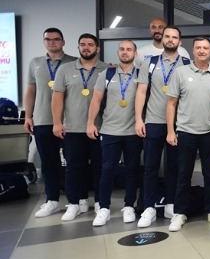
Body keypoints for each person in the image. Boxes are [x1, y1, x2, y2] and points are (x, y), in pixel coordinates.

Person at [165, 37, 210, 232]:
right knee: (183, 174)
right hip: (185, 131)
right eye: (198, 47)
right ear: (193, 50)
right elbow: (171, 103)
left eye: (205, 48)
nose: (202, 51)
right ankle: (179, 213)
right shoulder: (180, 72)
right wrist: (170, 131)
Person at [134, 25, 191, 227]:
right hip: (153, 121)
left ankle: (171, 204)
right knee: (150, 167)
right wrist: (138, 119)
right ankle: (148, 207)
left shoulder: (186, 64)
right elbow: (141, 91)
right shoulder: (150, 63)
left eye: (174, 37)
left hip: (178, 124)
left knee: (175, 167)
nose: (170, 40)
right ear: (162, 39)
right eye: (167, 36)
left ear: (179, 42)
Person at [51, 33, 108, 221]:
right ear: (78, 47)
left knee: (100, 167)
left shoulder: (107, 69)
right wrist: (57, 122)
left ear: (97, 48)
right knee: (74, 167)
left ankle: (100, 202)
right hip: (73, 128)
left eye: (90, 44)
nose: (86, 47)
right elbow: (57, 98)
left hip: (100, 128)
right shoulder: (65, 69)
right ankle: (75, 203)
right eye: (83, 44)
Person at [86, 40, 142, 226]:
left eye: (129, 49)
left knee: (132, 170)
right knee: (107, 169)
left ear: (135, 53)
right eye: (122, 49)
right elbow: (96, 100)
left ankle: (129, 206)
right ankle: (104, 208)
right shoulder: (107, 74)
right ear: (118, 52)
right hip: (110, 130)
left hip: (133, 131)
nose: (125, 52)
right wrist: (90, 123)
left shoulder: (141, 74)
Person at [26, 28, 77, 217]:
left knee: (73, 163)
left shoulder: (73, 62)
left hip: (70, 121)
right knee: (49, 163)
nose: (52, 42)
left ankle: (75, 200)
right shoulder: (35, 63)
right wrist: (28, 116)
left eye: (56, 39)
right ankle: (52, 200)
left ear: (63, 42)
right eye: (48, 39)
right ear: (44, 42)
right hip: (43, 120)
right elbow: (31, 91)